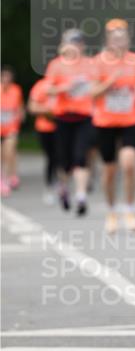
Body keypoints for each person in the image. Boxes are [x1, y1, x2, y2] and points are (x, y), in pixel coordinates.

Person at [90, 18, 135, 232]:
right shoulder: (98, 61)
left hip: (131, 119)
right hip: (105, 122)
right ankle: (111, 211)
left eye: (123, 38)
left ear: (128, 40)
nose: (119, 42)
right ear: (108, 40)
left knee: (130, 164)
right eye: (115, 38)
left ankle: (130, 210)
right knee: (109, 170)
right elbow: (92, 93)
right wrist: (110, 81)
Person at [44, 29, 95, 215]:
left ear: (83, 45)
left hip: (84, 116)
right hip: (64, 116)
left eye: (78, 42)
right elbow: (48, 90)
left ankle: (81, 195)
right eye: (72, 42)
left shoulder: (90, 64)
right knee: (64, 160)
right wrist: (67, 87)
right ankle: (64, 188)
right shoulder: (56, 65)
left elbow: (98, 86)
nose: (75, 46)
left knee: (80, 156)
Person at [27, 76, 57, 204]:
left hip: (65, 127)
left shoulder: (68, 82)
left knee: (64, 157)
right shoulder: (41, 85)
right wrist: (49, 111)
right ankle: (50, 186)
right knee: (51, 157)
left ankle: (61, 184)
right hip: (45, 128)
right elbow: (32, 107)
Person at [0, 67, 24, 196]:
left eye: (8, 77)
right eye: (3, 77)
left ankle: (8, 178)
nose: (6, 80)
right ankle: (3, 179)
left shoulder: (16, 90)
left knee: (9, 152)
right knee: (1, 155)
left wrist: (20, 115)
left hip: (11, 127)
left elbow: (20, 106)